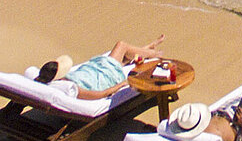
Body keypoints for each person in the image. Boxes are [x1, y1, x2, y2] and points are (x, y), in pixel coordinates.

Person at [33, 36, 165, 101]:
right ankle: (152, 53)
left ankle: (146, 49)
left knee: (123, 59)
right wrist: (122, 84)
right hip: (105, 77)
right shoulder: (71, 88)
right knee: (122, 46)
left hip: (97, 70)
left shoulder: (51, 81)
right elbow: (101, 94)